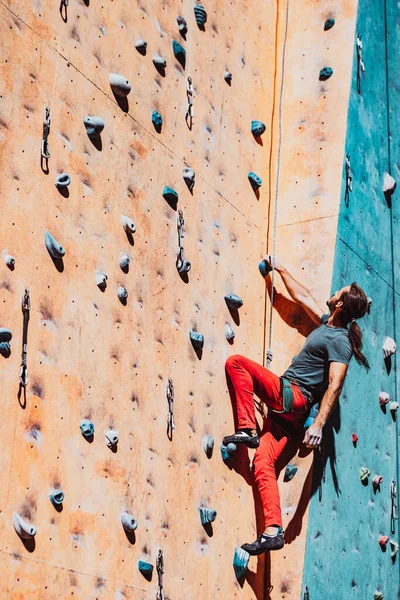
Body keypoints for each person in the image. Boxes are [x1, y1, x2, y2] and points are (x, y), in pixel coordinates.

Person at [222, 256, 369, 555]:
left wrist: (318, 424)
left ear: (340, 305)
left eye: (338, 292)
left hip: (293, 396)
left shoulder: (340, 341)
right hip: (285, 418)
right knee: (263, 464)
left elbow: (335, 383)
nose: (333, 293)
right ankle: (273, 530)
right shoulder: (325, 324)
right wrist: (279, 269)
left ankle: (247, 428)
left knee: (237, 364)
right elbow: (302, 296)